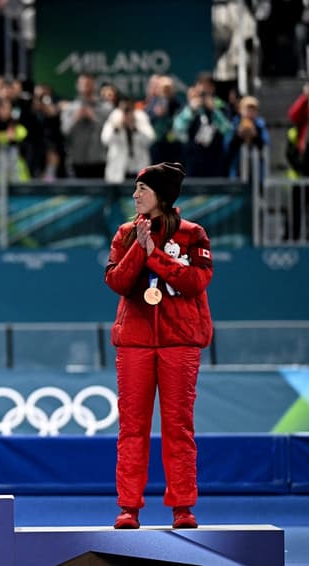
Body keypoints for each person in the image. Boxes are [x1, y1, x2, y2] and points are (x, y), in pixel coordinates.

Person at [104, 162, 213, 530]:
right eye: (135, 189)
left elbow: (197, 282)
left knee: (178, 427)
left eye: (142, 189)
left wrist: (156, 255)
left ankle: (182, 508)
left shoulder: (193, 234)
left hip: (179, 341)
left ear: (162, 196)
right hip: (134, 342)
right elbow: (117, 281)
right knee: (132, 428)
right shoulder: (124, 233)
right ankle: (128, 508)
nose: (135, 195)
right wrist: (140, 247)